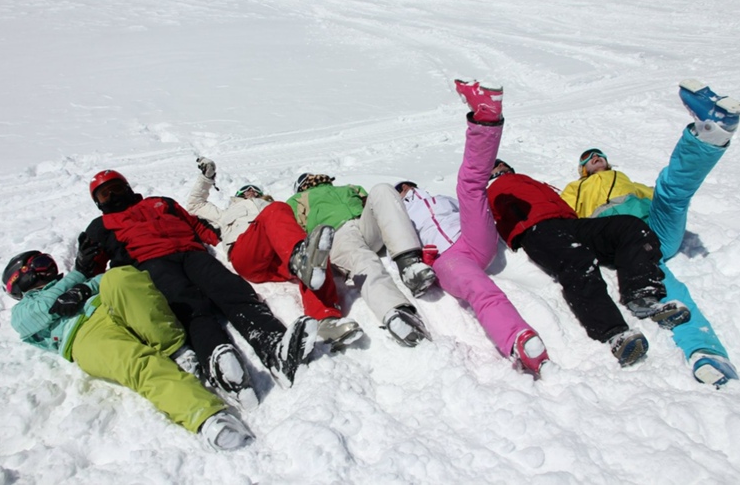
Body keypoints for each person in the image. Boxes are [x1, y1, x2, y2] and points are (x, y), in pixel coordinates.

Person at [83, 169, 317, 410]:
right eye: (104, 195)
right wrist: (85, 264)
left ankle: (274, 344)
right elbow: (93, 267)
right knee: (188, 306)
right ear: (98, 203)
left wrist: (220, 241)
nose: (112, 196)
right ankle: (218, 360)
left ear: (128, 188)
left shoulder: (161, 203)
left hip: (192, 253)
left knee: (233, 290)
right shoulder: (99, 226)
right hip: (151, 263)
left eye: (117, 189)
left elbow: (194, 223)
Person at [560, 79, 740, 386]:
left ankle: (710, 133)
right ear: (582, 170)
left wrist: (655, 198)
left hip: (651, 228)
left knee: (671, 192)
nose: (596, 158)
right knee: (664, 282)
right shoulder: (575, 189)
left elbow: (659, 195)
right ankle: (706, 352)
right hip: (616, 238)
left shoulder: (624, 178)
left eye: (599, 155)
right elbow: (563, 214)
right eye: (589, 158)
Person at [2, 250, 253, 451]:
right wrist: (77, 276)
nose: (47, 269)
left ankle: (176, 350)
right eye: (40, 264)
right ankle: (206, 417)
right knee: (137, 364)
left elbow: (108, 279)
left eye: (47, 262)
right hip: (83, 336)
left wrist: (85, 288)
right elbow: (41, 311)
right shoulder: (22, 310)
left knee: (119, 276)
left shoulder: (75, 283)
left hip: (109, 305)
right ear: (20, 278)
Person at [394, 80, 551, 377]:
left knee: (469, 187)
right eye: (399, 189)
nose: (405, 189)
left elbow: (473, 208)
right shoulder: (399, 212)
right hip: (449, 259)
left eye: (407, 185)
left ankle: (486, 116)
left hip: (475, 239)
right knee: (482, 291)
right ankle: (519, 340)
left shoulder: (439, 199)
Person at [487, 154, 692, 366]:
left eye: (503, 163)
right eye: (494, 166)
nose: (500, 166)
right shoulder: (484, 192)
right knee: (577, 259)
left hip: (571, 223)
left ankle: (641, 296)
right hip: (536, 230)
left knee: (630, 228)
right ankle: (613, 332)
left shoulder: (532, 181)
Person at [186, 157, 364, 351]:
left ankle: (326, 319)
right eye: (245, 190)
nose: (251, 191)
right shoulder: (226, 213)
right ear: (238, 197)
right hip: (248, 253)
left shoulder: (275, 208)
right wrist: (207, 177)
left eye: (255, 190)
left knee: (317, 257)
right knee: (281, 217)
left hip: (280, 256)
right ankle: (301, 259)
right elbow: (195, 205)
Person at [286, 174, 437, 347]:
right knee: (364, 260)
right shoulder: (296, 200)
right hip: (338, 234)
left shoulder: (350, 187)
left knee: (382, 189)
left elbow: (376, 206)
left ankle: (409, 264)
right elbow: (292, 230)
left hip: (365, 226)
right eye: (306, 178)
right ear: (300, 186)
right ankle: (396, 312)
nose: (312, 177)